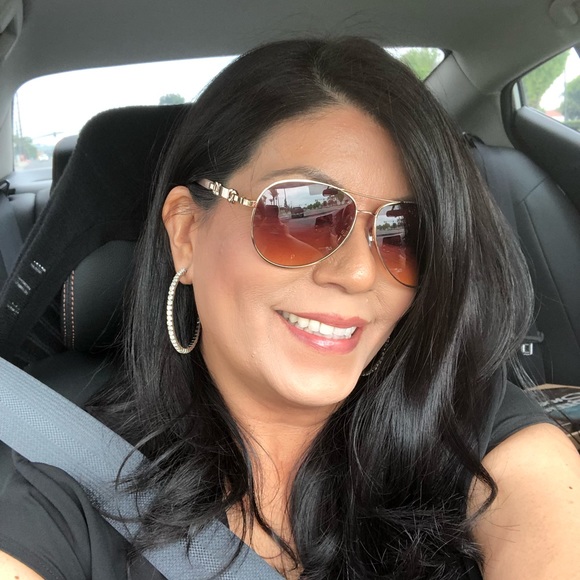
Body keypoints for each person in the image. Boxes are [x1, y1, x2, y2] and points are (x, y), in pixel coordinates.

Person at [1, 37, 580, 580]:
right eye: (301, 212)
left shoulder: (462, 424)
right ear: (187, 233)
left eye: (404, 231)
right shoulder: (59, 486)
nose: (359, 272)